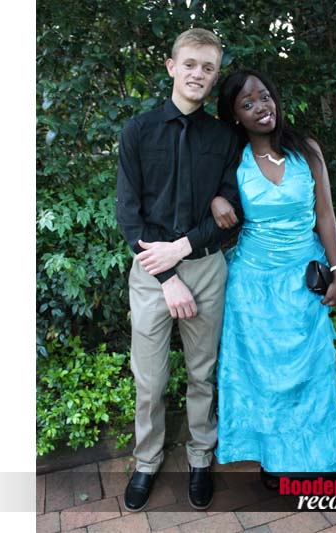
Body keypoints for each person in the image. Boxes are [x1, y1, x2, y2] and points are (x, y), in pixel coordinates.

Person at [115, 28, 242, 511]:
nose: (198, 74)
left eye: (208, 68)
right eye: (190, 64)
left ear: (215, 77)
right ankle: (147, 461)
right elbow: (128, 215)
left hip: (206, 268)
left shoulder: (225, 137)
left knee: (202, 374)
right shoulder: (138, 131)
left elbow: (231, 211)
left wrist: (185, 248)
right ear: (171, 66)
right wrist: (167, 276)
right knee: (149, 379)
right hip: (151, 273)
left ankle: (200, 457)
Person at [209, 69, 336, 477]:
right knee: (261, 379)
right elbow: (209, 199)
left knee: (310, 376)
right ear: (235, 115)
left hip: (303, 281)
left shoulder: (307, 151)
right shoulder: (232, 159)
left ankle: (312, 459)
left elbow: (325, 213)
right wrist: (217, 198)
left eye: (265, 96)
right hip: (251, 287)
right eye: (247, 103)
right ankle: (272, 460)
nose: (260, 107)